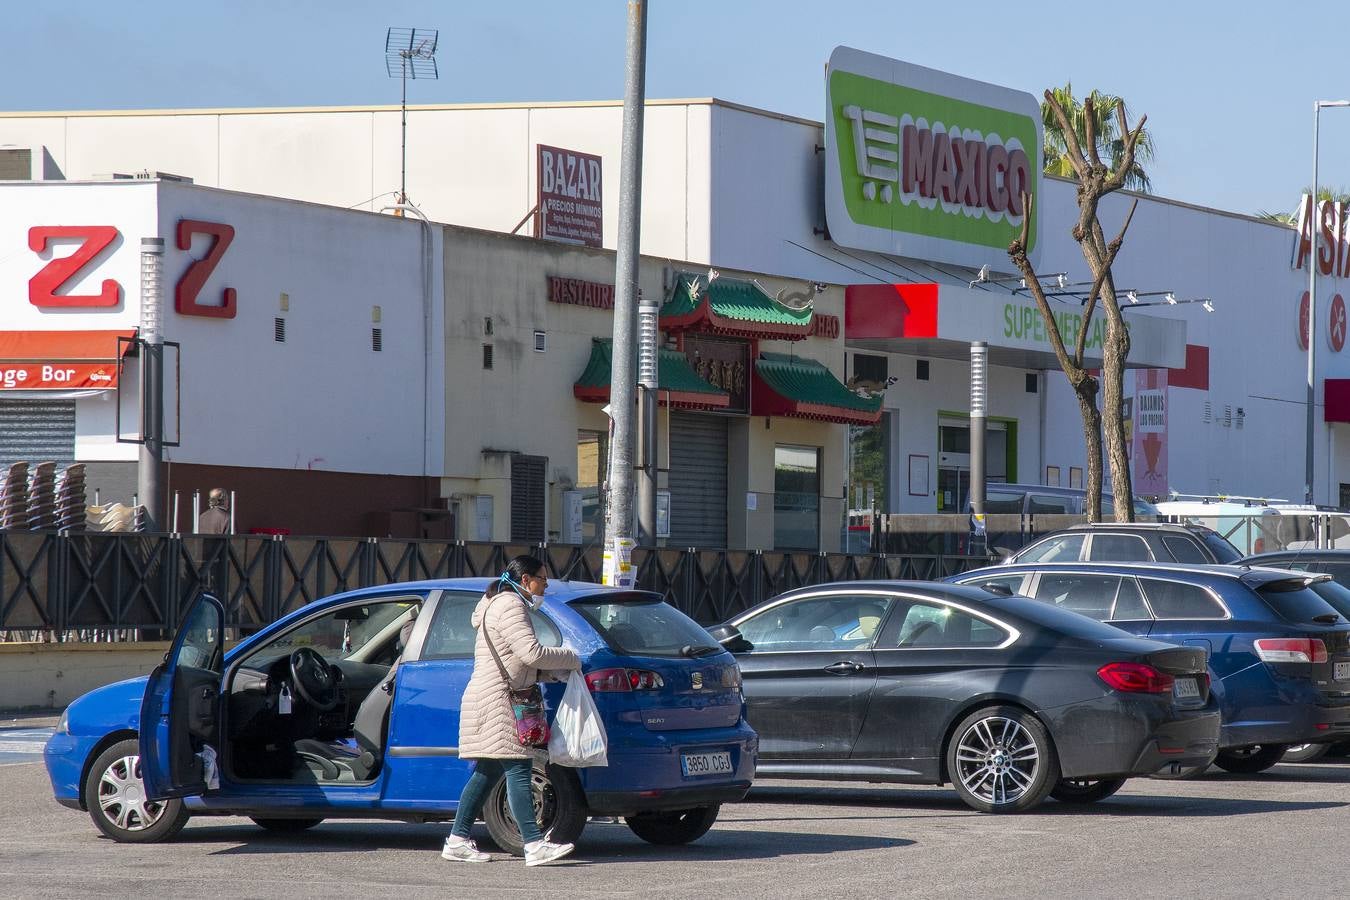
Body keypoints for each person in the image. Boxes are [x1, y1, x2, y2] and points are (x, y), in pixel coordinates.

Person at [442, 554, 581, 867]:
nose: (546, 584)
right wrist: (570, 659)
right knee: (519, 767)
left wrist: (549, 673)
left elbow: (515, 660)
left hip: (492, 696)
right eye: (542, 578)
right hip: (499, 700)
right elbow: (530, 653)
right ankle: (533, 845)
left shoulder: (499, 604)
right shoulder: (510, 605)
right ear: (525, 581)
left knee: (487, 772)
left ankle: (457, 839)